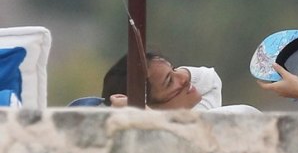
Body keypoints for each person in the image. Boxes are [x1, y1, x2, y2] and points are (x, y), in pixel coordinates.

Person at [102, 52, 260, 113]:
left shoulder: (197, 115)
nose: (185, 79)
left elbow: (211, 80)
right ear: (150, 106)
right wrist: (140, 111)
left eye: (175, 69)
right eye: (169, 81)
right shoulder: (208, 122)